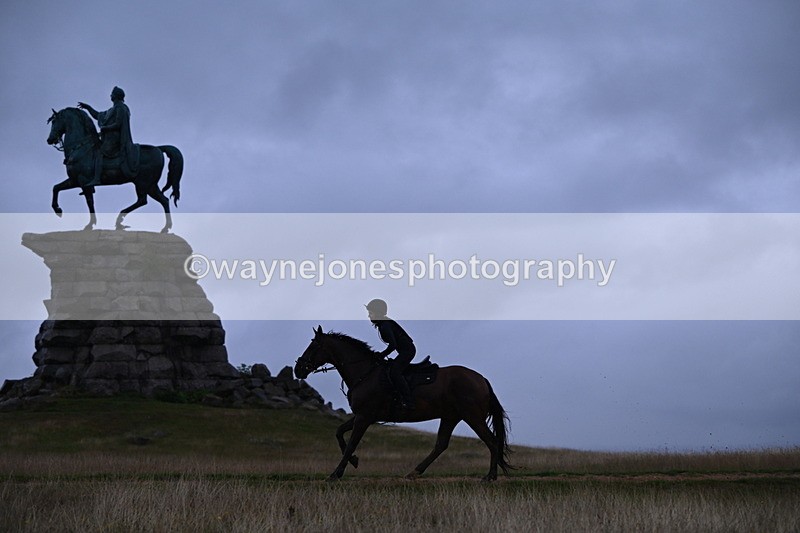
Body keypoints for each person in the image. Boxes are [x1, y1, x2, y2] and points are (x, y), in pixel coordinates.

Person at [78, 86, 139, 186]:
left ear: (115, 96)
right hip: (108, 138)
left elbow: (118, 124)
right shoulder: (112, 109)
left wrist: (105, 128)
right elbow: (98, 116)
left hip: (115, 139)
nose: (110, 95)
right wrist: (88, 107)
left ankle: (97, 179)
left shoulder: (121, 108)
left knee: (99, 152)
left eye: (112, 94)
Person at [366, 298, 416, 409]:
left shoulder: (385, 325)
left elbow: (393, 345)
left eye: (370, 313)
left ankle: (408, 401)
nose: (369, 316)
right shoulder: (383, 324)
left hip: (408, 351)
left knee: (395, 372)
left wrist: (382, 355)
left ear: (378, 313)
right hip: (404, 351)